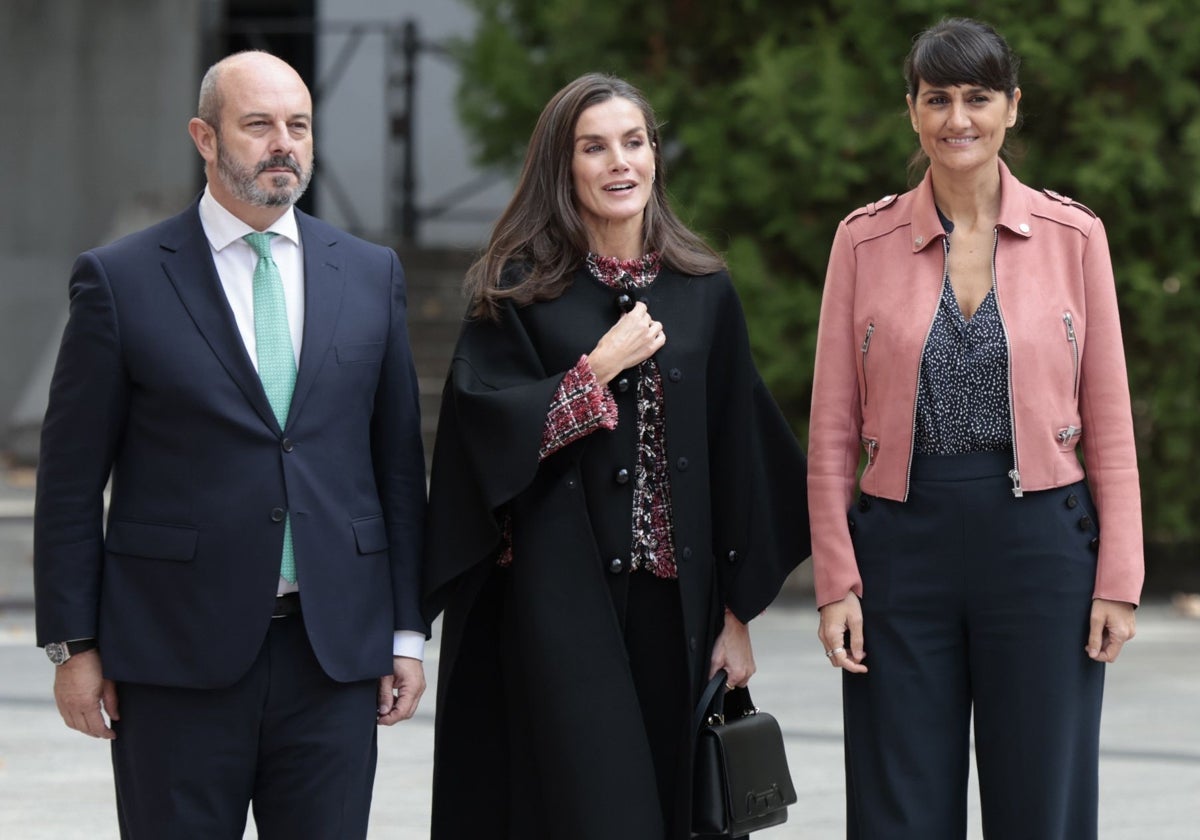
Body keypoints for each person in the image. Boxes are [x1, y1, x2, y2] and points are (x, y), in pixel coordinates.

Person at [33, 51, 428, 839]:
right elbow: (71, 480)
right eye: (258, 125)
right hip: (173, 656)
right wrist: (73, 644)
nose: (283, 143)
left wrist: (406, 634)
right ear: (204, 138)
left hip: (334, 657)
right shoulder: (120, 280)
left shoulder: (369, 273)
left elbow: (396, 465)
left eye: (298, 125)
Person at [421, 72, 810, 840]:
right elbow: (480, 444)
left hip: (679, 614)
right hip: (555, 616)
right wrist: (596, 369)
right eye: (594, 148)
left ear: (656, 156)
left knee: (670, 807)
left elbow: (742, 454)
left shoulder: (703, 292)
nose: (618, 163)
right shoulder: (517, 294)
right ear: (562, 167)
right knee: (588, 810)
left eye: (634, 143)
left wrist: (734, 615)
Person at [807, 17, 1143, 839]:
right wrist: (835, 582)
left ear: (1012, 108)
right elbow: (831, 432)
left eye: (978, 98)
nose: (958, 118)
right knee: (899, 806)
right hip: (900, 549)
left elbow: (1109, 421)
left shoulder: (1075, 237)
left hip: (1042, 549)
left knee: (1043, 804)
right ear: (913, 112)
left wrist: (1119, 579)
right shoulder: (862, 240)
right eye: (938, 99)